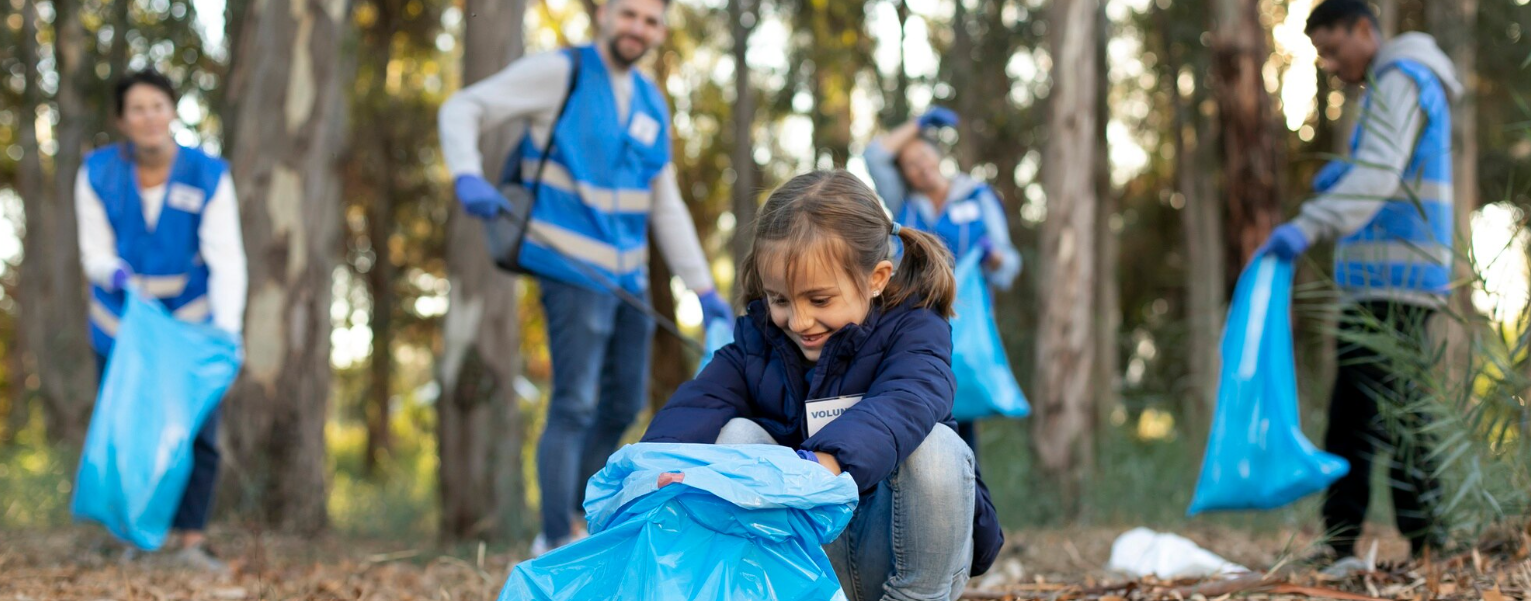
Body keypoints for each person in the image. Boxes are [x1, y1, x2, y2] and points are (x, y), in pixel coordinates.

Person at [437, 0, 731, 556]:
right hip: (570, 268)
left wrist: (704, 288)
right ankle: (552, 537)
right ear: (603, 14)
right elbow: (462, 108)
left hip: (629, 281)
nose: (637, 28)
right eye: (628, 14)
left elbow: (662, 202)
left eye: (650, 20)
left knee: (622, 405)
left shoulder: (651, 101)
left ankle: (577, 511)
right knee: (573, 402)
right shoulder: (560, 73)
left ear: (661, 29)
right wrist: (467, 175)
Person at [642, 171, 1003, 601]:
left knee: (936, 445)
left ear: (876, 278)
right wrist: (651, 466)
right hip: (811, 564)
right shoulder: (759, 342)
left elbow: (907, 400)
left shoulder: (916, 330)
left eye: (819, 300)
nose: (798, 322)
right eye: (780, 300)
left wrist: (824, 462)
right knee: (737, 435)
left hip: (900, 550)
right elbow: (700, 403)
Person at [1260, 0, 1460, 573]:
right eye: (1320, 52)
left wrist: (1309, 224)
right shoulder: (1391, 85)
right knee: (1386, 410)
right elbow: (1381, 170)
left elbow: (1378, 173)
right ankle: (1418, 540)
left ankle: (1390, 541)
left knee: (1368, 414)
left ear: (1365, 30)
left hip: (1393, 282)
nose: (1327, 62)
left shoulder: (1400, 77)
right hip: (1393, 279)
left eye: (1333, 47)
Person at [75, 69, 248, 573]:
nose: (149, 117)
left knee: (201, 430)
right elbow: (94, 252)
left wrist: (228, 332)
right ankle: (131, 537)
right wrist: (117, 273)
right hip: (122, 320)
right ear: (122, 120)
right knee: (126, 424)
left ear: (172, 110)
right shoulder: (97, 172)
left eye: (157, 105)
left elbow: (227, 259)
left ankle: (190, 539)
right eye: (137, 109)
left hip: (190, 321)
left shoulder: (208, 173)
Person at [864, 107, 1022, 453]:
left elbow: (1009, 265)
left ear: (938, 155)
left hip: (964, 324)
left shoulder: (978, 197)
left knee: (960, 422)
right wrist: (919, 123)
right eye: (909, 164)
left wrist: (994, 256)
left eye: (923, 155)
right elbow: (875, 155)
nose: (920, 167)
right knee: (919, 410)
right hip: (913, 322)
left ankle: (969, 502)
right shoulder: (905, 202)